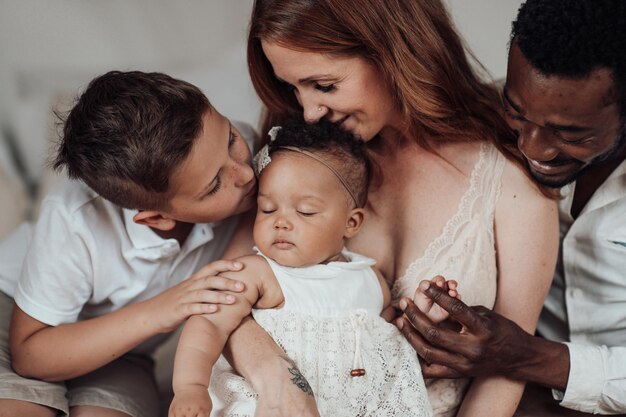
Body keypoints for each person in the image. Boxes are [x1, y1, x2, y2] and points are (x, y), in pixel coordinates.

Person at [220, 1, 560, 416]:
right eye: (294, 88)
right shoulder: (298, 158)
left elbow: (508, 366)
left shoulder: (508, 173)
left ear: (392, 52)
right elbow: (221, 300)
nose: (309, 111)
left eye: (324, 85)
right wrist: (277, 378)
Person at [395, 1, 626, 416]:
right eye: (517, 112)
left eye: (568, 132)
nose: (530, 148)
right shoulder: (484, 129)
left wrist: (528, 357)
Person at [0, 70, 258, 417]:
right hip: (18, 319)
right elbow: (31, 356)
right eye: (214, 186)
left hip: (126, 347)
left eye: (230, 139)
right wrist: (164, 308)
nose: (244, 173)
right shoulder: (74, 219)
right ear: (156, 218)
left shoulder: (247, 154)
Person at [169, 119, 447, 417]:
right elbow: (208, 323)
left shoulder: (370, 279)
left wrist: (422, 315)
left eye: (305, 211)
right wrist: (190, 386)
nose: (281, 221)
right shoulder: (258, 273)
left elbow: (385, 340)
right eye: (267, 208)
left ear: (350, 223)